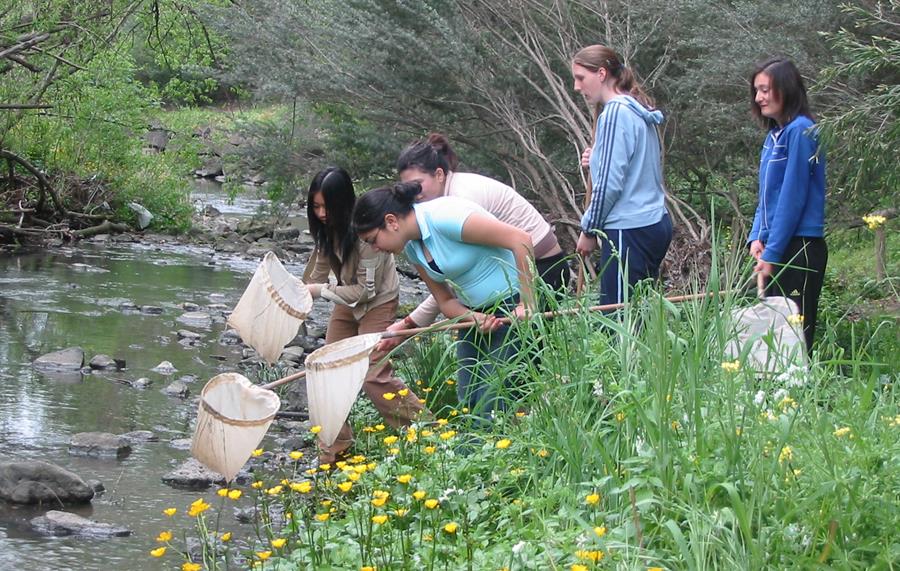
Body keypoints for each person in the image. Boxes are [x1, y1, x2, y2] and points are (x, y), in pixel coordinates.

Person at [352, 182, 535, 417]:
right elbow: (445, 301)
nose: (374, 248)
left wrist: (527, 304)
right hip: (474, 315)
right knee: (467, 399)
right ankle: (472, 451)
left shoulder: (445, 218)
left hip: (510, 307)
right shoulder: (412, 248)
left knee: (492, 400)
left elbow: (520, 240)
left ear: (391, 221)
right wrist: (473, 317)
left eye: (372, 239)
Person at [382, 133, 570, 341]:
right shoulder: (435, 209)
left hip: (540, 268)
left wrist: (412, 322)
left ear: (439, 174)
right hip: (512, 271)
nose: (413, 193)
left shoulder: (458, 201)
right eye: (407, 187)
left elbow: (456, 273)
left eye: (417, 184)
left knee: (524, 358)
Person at [303, 167, 423, 463]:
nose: (320, 213)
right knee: (326, 369)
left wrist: (319, 291)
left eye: (326, 207)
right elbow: (317, 270)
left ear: (343, 204)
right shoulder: (326, 230)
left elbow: (363, 293)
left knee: (372, 373)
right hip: (347, 298)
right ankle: (334, 447)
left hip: (377, 301)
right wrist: (298, 292)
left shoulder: (367, 235)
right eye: (315, 206)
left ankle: (423, 432)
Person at [571, 45, 672, 306]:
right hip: (653, 222)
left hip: (628, 229)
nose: (577, 87)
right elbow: (631, 163)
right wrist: (596, 158)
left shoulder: (615, 113)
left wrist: (589, 228)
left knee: (619, 322)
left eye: (581, 78)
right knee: (640, 316)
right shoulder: (636, 108)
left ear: (601, 73)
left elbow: (609, 185)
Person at [748, 58, 827, 354]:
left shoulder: (802, 131)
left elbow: (793, 198)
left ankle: (802, 395)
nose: (759, 98)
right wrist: (756, 236)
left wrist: (772, 252)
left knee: (794, 336)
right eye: (757, 91)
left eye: (766, 89)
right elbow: (767, 197)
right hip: (776, 245)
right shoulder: (773, 136)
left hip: (800, 247)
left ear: (787, 89)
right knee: (774, 333)